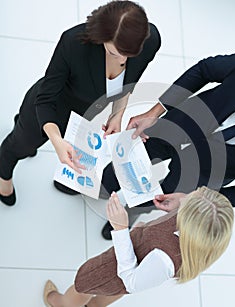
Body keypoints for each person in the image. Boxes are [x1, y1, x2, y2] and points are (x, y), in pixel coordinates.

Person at [100, 51, 235, 239]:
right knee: (129, 157)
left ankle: (128, 213)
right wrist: (154, 112)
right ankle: (101, 185)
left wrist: (197, 197)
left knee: (158, 197)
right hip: (181, 124)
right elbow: (204, 70)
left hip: (203, 173)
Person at [0, 0, 161, 206]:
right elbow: (45, 99)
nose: (122, 59)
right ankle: (3, 175)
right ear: (101, 37)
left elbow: (129, 82)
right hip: (52, 106)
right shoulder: (74, 42)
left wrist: (117, 114)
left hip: (83, 114)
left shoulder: (150, 40)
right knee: (19, 145)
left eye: (128, 55)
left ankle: (21, 126)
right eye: (114, 53)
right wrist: (57, 141)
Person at [43, 186, 234, 307]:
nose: (186, 196)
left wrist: (120, 229)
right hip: (132, 264)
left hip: (118, 270)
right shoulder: (202, 234)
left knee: (83, 286)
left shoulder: (165, 259)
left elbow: (130, 282)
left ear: (190, 221)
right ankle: (94, 305)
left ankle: (59, 303)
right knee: (112, 292)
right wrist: (180, 202)